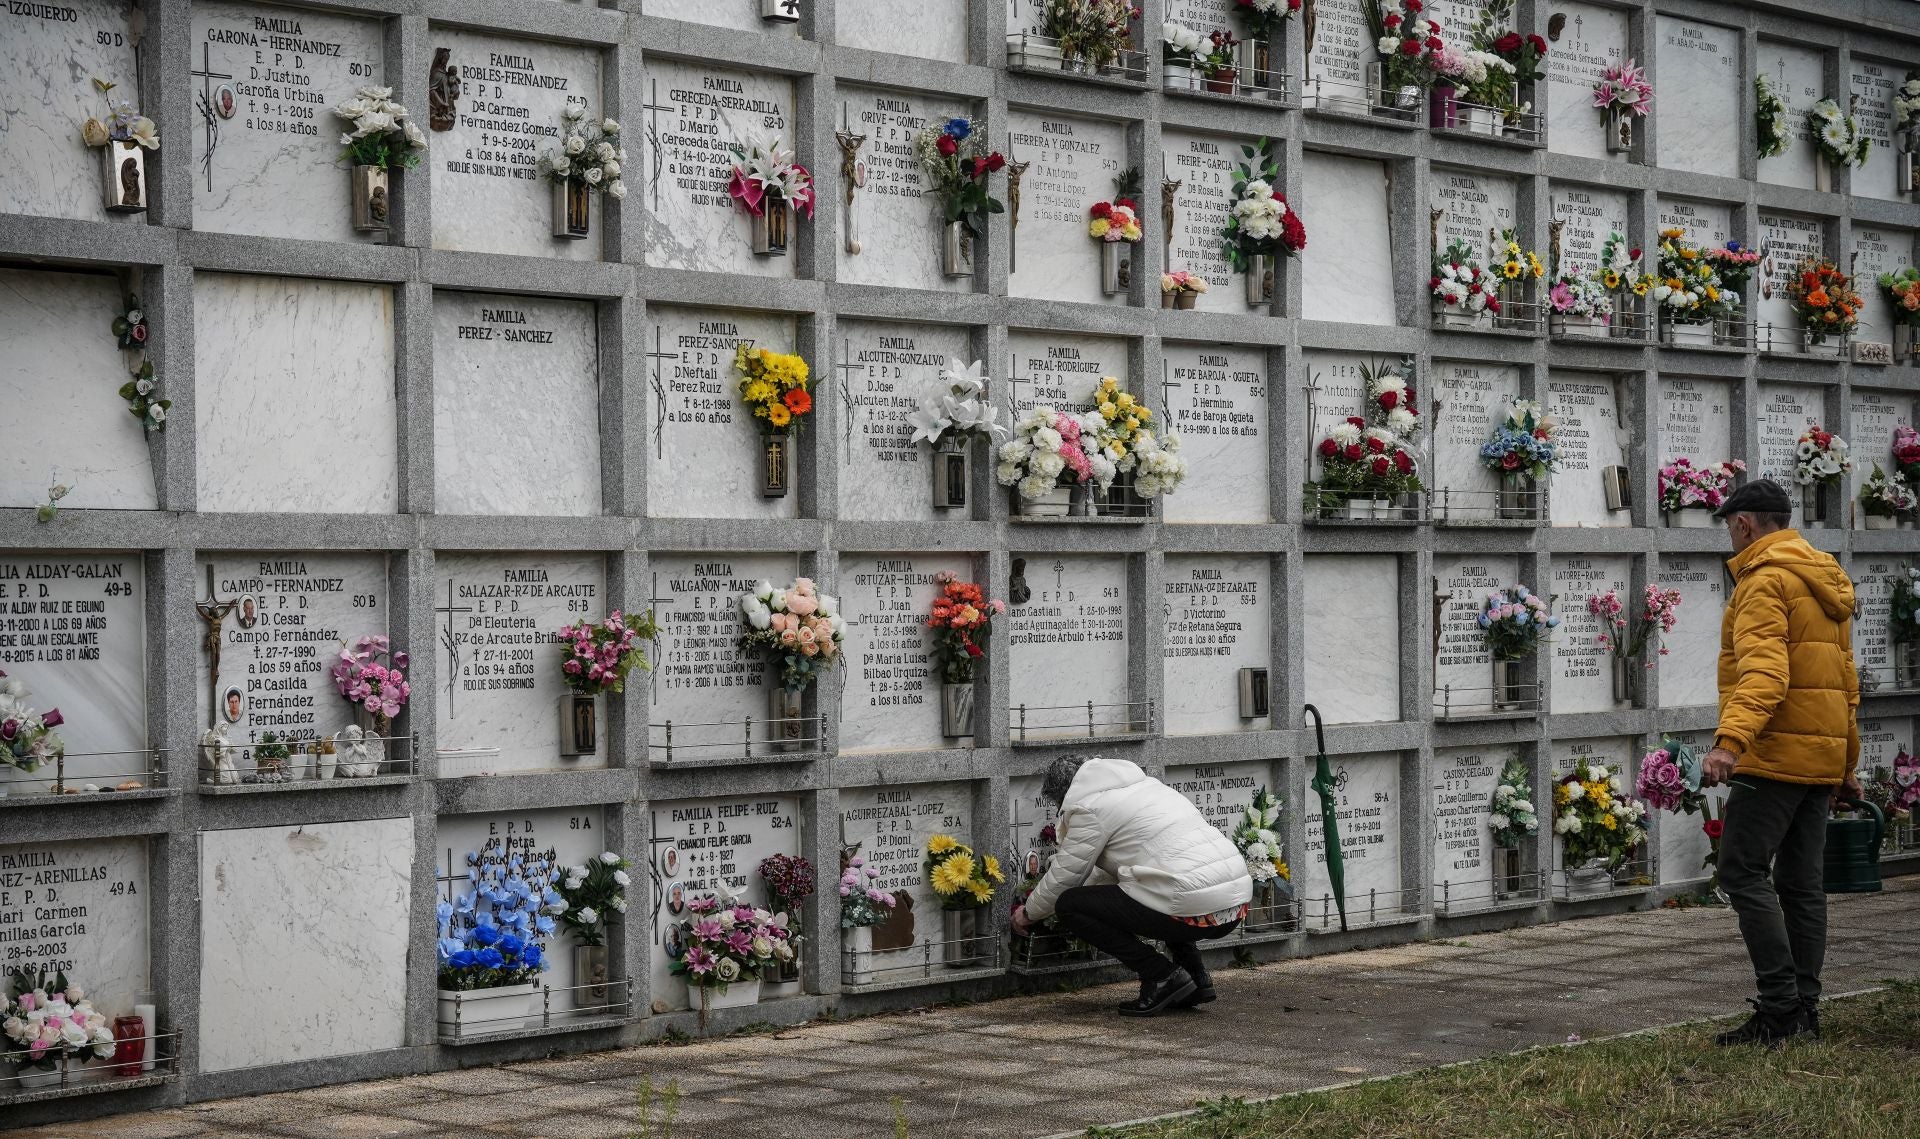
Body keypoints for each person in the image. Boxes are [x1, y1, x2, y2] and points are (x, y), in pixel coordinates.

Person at [1704, 480, 1860, 1048]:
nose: (1731, 536)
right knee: (1800, 884)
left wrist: (1730, 742)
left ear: (1745, 523)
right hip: (1820, 757)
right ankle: (1804, 1011)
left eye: (1730, 526)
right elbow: (1845, 683)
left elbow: (1766, 675)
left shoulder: (1764, 581)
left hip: (1772, 757)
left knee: (1740, 871)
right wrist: (1846, 763)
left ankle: (1780, 1007)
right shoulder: (1824, 576)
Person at [1012, 754, 1253, 1017]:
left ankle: (1161, 976)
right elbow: (1108, 875)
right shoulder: (1149, 787)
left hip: (1190, 911)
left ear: (1064, 793)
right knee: (1163, 885)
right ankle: (1196, 978)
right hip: (1234, 908)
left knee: (1070, 905)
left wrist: (1028, 913)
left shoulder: (1090, 807)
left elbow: (1066, 876)